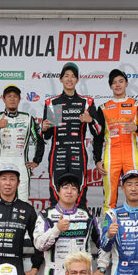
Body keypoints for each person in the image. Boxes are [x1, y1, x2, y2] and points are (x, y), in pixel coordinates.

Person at [41, 62, 101, 207]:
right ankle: (56, 219)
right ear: (61, 79)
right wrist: (44, 129)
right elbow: (47, 136)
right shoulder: (53, 103)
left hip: (77, 151)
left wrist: (91, 120)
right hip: (58, 151)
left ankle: (80, 218)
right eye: (66, 76)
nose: (69, 79)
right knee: (56, 187)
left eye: (73, 76)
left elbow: (98, 132)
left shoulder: (86, 102)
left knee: (79, 187)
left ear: (77, 80)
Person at [34, 174, 101, 275]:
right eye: (65, 187)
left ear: (78, 193)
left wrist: (101, 269)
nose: (69, 191)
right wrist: (56, 229)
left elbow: (103, 244)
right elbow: (39, 245)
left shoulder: (88, 216)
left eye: (74, 188)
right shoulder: (46, 215)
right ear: (58, 192)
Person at [93, 69, 138, 209]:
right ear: (110, 86)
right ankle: (108, 223)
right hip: (111, 156)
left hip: (131, 155)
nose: (117, 85)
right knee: (109, 198)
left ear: (126, 83)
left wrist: (136, 128)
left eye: (121, 81)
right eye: (114, 82)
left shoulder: (137, 104)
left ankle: (136, 222)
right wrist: (97, 159)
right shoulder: (103, 108)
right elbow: (98, 136)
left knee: (135, 193)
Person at [0, 84, 44, 202]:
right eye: (9, 96)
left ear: (19, 99)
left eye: (15, 96)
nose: (12, 99)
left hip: (22, 164)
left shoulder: (28, 118)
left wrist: (37, 160)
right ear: (4, 99)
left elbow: (39, 139)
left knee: (23, 200)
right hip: (1, 163)